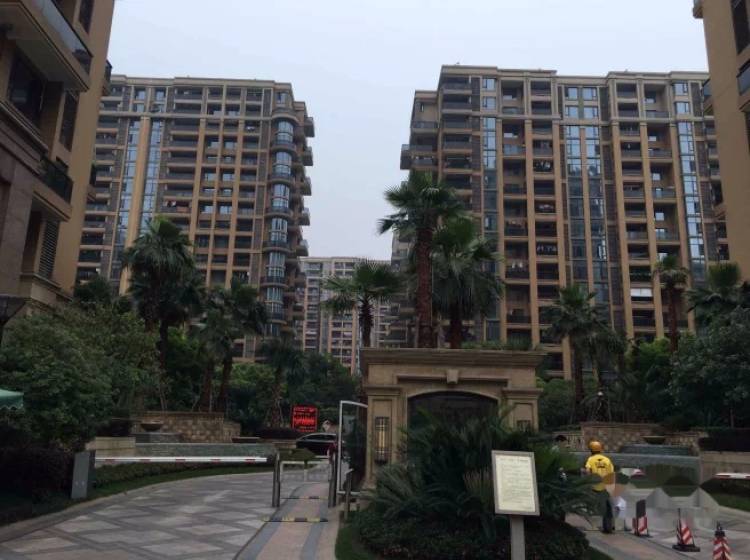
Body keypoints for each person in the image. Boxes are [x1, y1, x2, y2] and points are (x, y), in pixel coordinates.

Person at [584, 440, 615, 534]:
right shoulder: (607, 460)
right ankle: (608, 527)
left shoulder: (590, 459)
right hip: (605, 487)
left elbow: (587, 471)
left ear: (591, 450)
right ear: (600, 449)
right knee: (608, 508)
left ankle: (590, 524)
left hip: (594, 486)